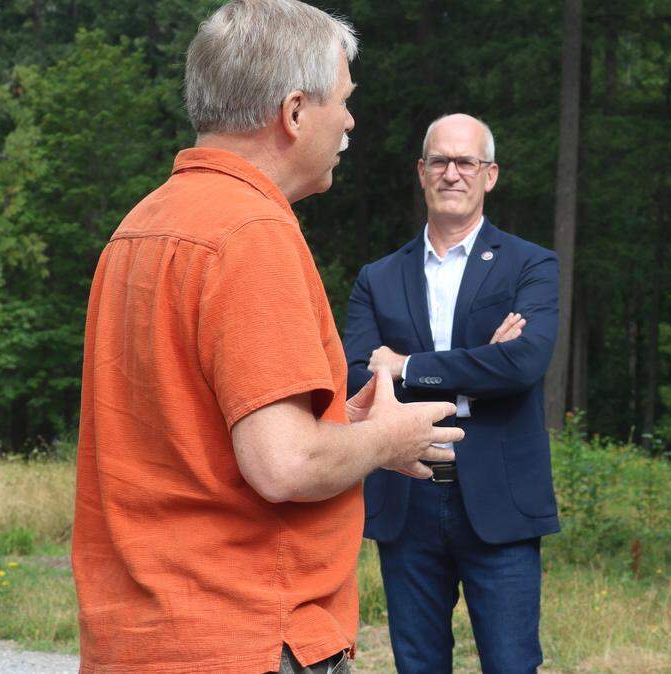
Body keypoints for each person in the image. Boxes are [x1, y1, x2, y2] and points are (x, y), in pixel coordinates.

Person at [72, 2, 462, 672]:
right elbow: (285, 465)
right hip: (248, 636)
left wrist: (344, 423)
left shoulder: (142, 225)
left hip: (138, 641)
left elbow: (189, 431)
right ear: (293, 112)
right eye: (342, 101)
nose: (350, 122)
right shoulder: (251, 234)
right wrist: (388, 438)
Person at [344, 113, 560, 673]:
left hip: (500, 499)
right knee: (417, 665)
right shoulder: (378, 277)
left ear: (490, 175)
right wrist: (480, 359)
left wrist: (407, 366)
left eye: (466, 161)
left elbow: (522, 363)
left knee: (513, 664)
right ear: (421, 172)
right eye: (439, 160)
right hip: (406, 495)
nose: (452, 173)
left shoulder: (530, 264)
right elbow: (357, 380)